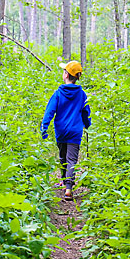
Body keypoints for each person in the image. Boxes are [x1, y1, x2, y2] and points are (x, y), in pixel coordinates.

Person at [40, 61, 91, 200]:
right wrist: (87, 124)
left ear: (66, 75)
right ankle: (68, 187)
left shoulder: (58, 93)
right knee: (71, 160)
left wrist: (44, 127)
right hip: (75, 132)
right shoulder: (82, 94)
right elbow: (86, 112)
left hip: (61, 131)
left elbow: (49, 111)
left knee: (63, 158)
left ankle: (65, 183)